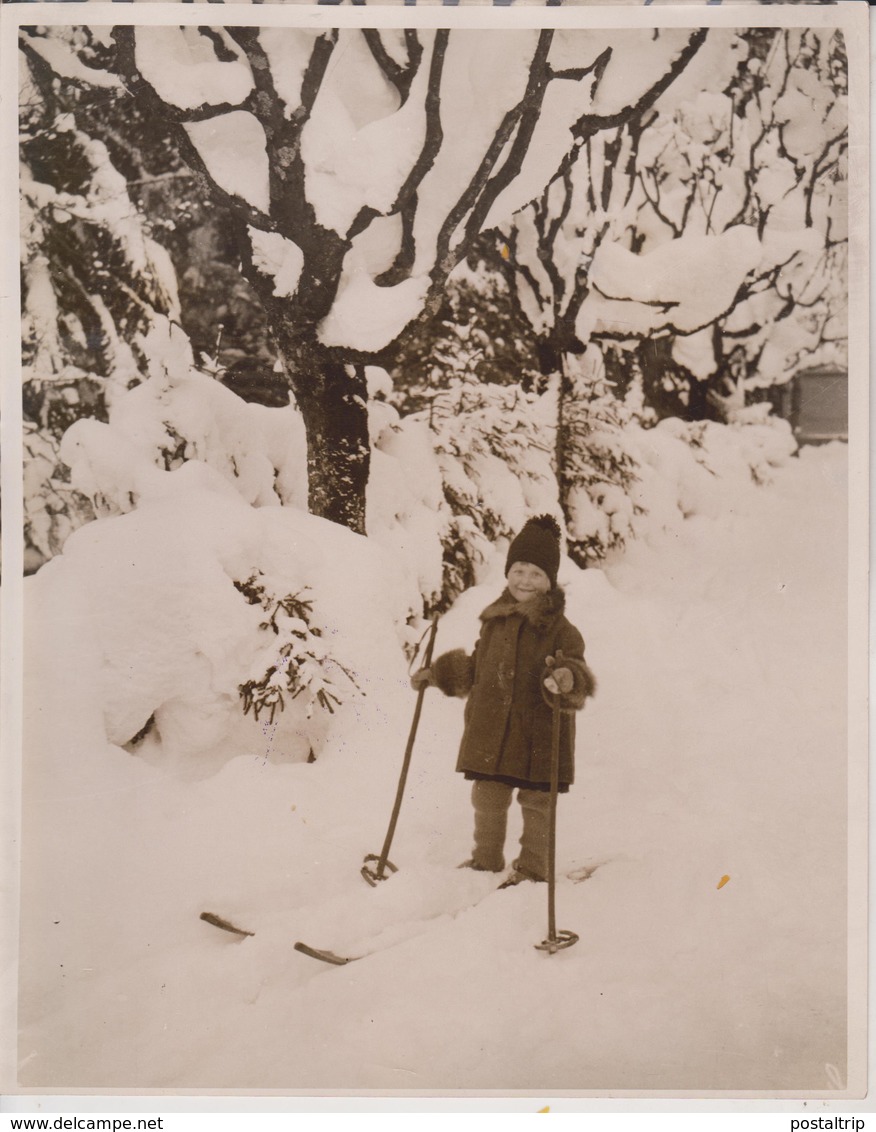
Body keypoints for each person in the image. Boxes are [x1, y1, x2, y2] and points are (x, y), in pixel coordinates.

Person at [411, 515, 596, 887]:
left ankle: (532, 868)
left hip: (539, 734)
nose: (525, 581)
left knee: (538, 804)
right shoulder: (493, 621)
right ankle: (486, 859)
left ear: (550, 581)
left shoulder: (562, 629)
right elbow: (477, 666)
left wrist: (566, 678)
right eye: (519, 570)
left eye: (536, 575)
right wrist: (439, 674)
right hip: (492, 731)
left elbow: (576, 669)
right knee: (487, 798)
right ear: (509, 571)